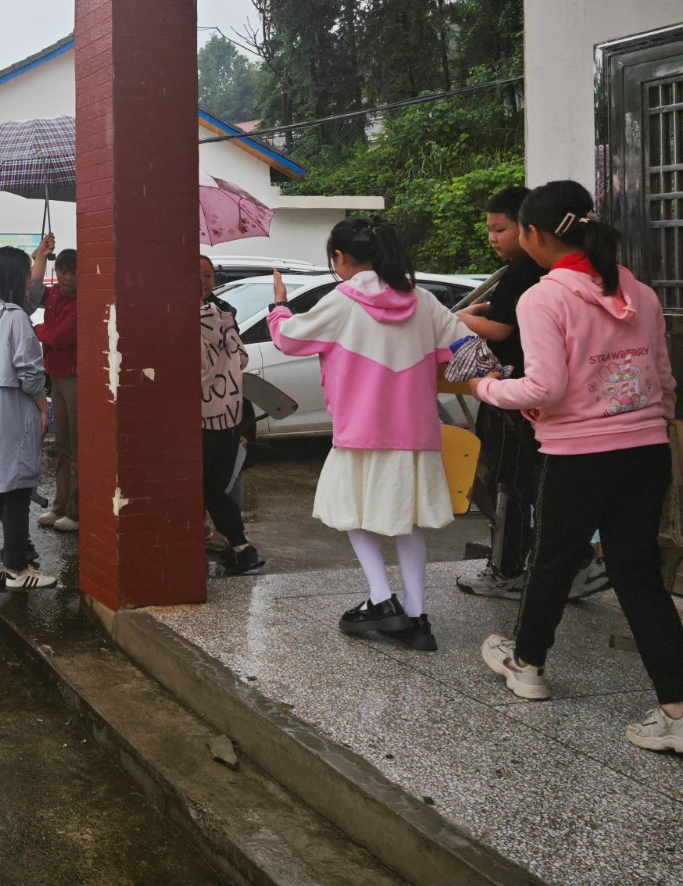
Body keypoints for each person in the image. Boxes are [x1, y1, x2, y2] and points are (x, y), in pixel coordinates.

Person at [470, 181, 683, 754]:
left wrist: (485, 385)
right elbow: (663, 381)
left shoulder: (543, 297)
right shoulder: (637, 288)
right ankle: (678, 710)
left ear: (536, 234)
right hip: (645, 451)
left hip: (579, 455)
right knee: (638, 576)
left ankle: (529, 665)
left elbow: (545, 385)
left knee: (553, 562)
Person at [268, 219, 470, 651]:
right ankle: (417, 617)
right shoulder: (425, 301)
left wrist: (279, 306)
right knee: (409, 520)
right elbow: (467, 349)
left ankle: (382, 601)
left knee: (352, 513)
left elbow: (287, 339)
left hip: (360, 431)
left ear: (340, 258)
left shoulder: (341, 301)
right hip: (417, 432)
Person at [456, 186, 608, 602]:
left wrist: (460, 324)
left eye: (502, 228)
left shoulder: (531, 276)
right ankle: (575, 561)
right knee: (535, 484)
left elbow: (505, 332)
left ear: (532, 231)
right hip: (584, 411)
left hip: (519, 396)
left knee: (512, 484)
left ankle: (511, 571)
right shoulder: (602, 275)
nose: (494, 237)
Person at [0, 247, 56, 590]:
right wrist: (43, 405)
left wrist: (39, 257)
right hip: (14, 404)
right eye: (25, 275)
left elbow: (31, 296)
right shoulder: (16, 317)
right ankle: (18, 569)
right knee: (18, 489)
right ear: (13, 278)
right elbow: (30, 371)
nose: (28, 282)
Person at [199, 254, 263, 575]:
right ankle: (239, 546)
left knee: (210, 487)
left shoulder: (214, 315)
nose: (203, 280)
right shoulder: (224, 316)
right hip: (227, 416)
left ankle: (236, 545)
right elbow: (242, 359)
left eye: (208, 274)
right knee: (214, 488)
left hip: (209, 420)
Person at [30, 236, 79, 531]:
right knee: (61, 444)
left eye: (73, 272)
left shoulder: (82, 299)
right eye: (62, 271)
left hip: (75, 378)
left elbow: (58, 336)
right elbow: (32, 290)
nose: (68, 277)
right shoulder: (56, 293)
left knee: (76, 446)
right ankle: (60, 504)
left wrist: (35, 328)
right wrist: (40, 254)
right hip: (56, 377)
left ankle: (76, 510)